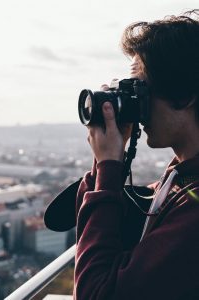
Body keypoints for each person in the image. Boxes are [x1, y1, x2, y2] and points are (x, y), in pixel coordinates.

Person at [74, 10, 199, 299]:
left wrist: (108, 165)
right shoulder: (181, 177)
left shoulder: (192, 206)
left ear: (185, 96)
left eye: (140, 88)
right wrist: (105, 163)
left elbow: (96, 293)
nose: (134, 102)